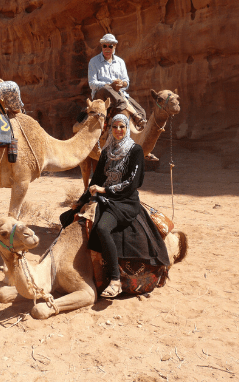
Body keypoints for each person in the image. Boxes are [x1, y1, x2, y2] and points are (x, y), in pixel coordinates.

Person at [71, 114, 170, 297]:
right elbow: (98, 178)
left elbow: (133, 182)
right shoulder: (107, 151)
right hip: (104, 198)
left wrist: (105, 191)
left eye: (122, 127)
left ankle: (115, 280)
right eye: (114, 127)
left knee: (102, 228)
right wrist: (82, 200)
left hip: (125, 201)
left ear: (127, 129)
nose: (118, 130)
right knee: (68, 218)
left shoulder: (135, 151)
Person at [88, 33, 159, 161]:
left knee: (141, 111)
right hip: (101, 95)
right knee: (107, 89)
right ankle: (135, 116)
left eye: (111, 46)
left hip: (119, 94)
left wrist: (122, 84)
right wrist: (110, 84)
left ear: (115, 47)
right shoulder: (94, 62)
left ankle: (141, 146)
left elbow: (126, 82)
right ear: (101, 46)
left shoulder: (120, 62)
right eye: (105, 46)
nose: (107, 48)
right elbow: (92, 83)